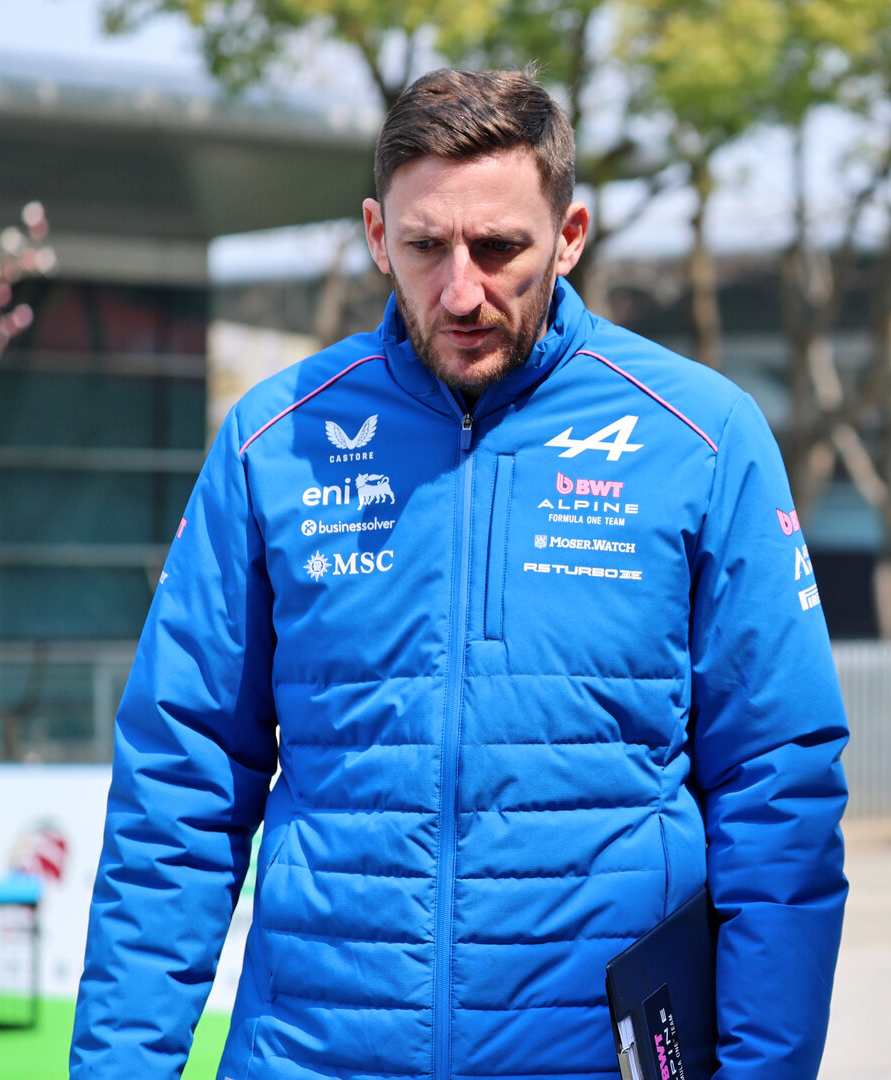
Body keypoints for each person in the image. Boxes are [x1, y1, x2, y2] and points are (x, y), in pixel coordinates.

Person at [70, 68, 849, 1080]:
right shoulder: (274, 441)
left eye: (499, 248)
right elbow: (180, 784)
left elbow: (777, 789)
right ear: (374, 234)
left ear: (569, 236)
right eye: (425, 246)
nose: (460, 290)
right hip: (313, 1055)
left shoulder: (700, 437)